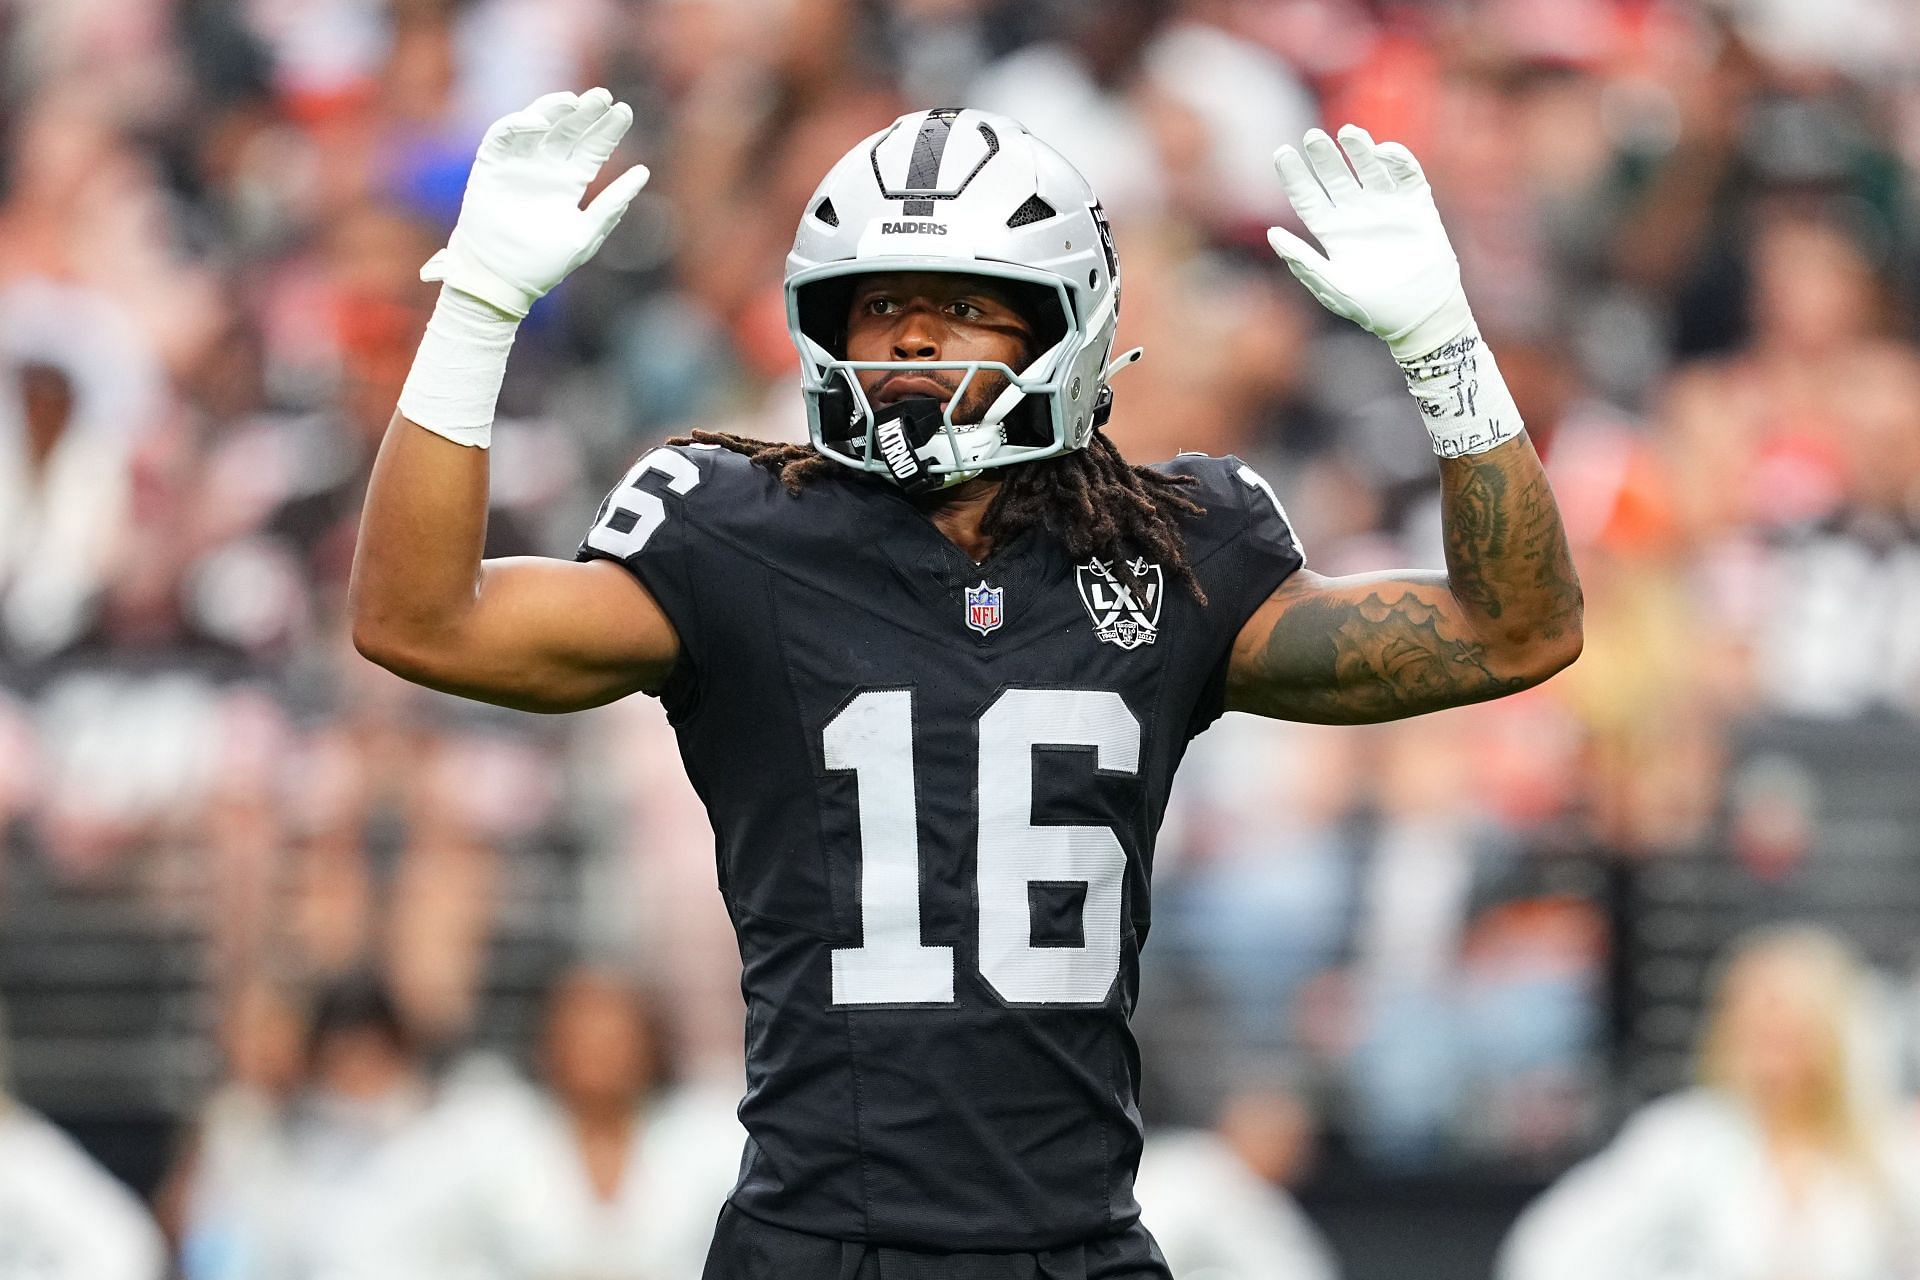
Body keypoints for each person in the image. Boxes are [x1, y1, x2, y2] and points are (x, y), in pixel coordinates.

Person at [350, 90, 1583, 1278]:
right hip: (816, 1236)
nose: (913, 339)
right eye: (878, 303)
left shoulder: (1170, 546)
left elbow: (1514, 629)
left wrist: (1441, 345)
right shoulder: (737, 536)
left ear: (1064, 324)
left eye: (963, 304)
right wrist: (475, 308)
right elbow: (421, 618)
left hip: (1078, 1238)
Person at [1498, 926, 1920, 1280]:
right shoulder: (1682, 1140)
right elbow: (1548, 1252)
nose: (1772, 1050)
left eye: (1791, 1031)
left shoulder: (1888, 1149)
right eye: (1756, 1027)